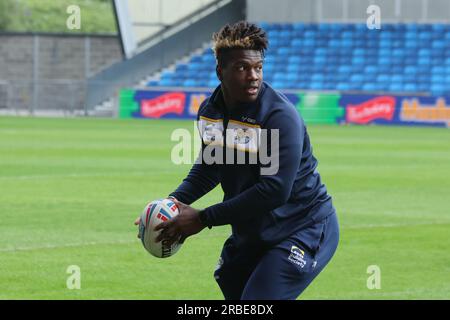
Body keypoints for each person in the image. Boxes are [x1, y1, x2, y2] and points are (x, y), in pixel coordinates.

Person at [135, 21, 339, 300]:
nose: (253, 76)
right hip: (255, 233)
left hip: (303, 228)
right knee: (232, 287)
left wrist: (203, 218)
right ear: (220, 71)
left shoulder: (278, 117)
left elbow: (275, 190)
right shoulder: (211, 111)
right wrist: (170, 205)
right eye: (242, 68)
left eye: (258, 68)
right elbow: (210, 168)